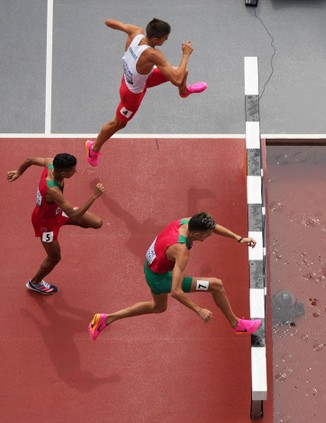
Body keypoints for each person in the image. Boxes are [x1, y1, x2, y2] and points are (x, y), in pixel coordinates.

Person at [88, 212, 261, 340]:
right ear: (198, 234)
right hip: (159, 279)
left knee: (158, 307)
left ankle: (107, 318)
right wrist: (198, 310)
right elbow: (176, 291)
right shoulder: (182, 251)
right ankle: (235, 324)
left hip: (151, 267)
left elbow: (213, 227)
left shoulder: (184, 223)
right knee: (216, 285)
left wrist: (238, 238)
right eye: (208, 235)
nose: (210, 236)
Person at [85, 18, 207, 167]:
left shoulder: (136, 32)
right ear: (155, 39)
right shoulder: (153, 54)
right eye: (165, 37)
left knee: (183, 71)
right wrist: (186, 54)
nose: (167, 39)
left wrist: (109, 23)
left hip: (138, 78)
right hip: (131, 95)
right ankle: (94, 148)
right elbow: (175, 79)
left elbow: (110, 22)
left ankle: (184, 91)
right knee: (118, 123)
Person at [7, 153, 105, 295]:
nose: (75, 171)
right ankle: (35, 283)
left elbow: (30, 159)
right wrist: (94, 196)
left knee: (97, 223)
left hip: (58, 212)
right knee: (55, 257)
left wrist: (18, 172)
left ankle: (62, 223)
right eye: (73, 170)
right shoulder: (52, 190)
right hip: (45, 223)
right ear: (63, 173)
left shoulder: (52, 163)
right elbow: (74, 215)